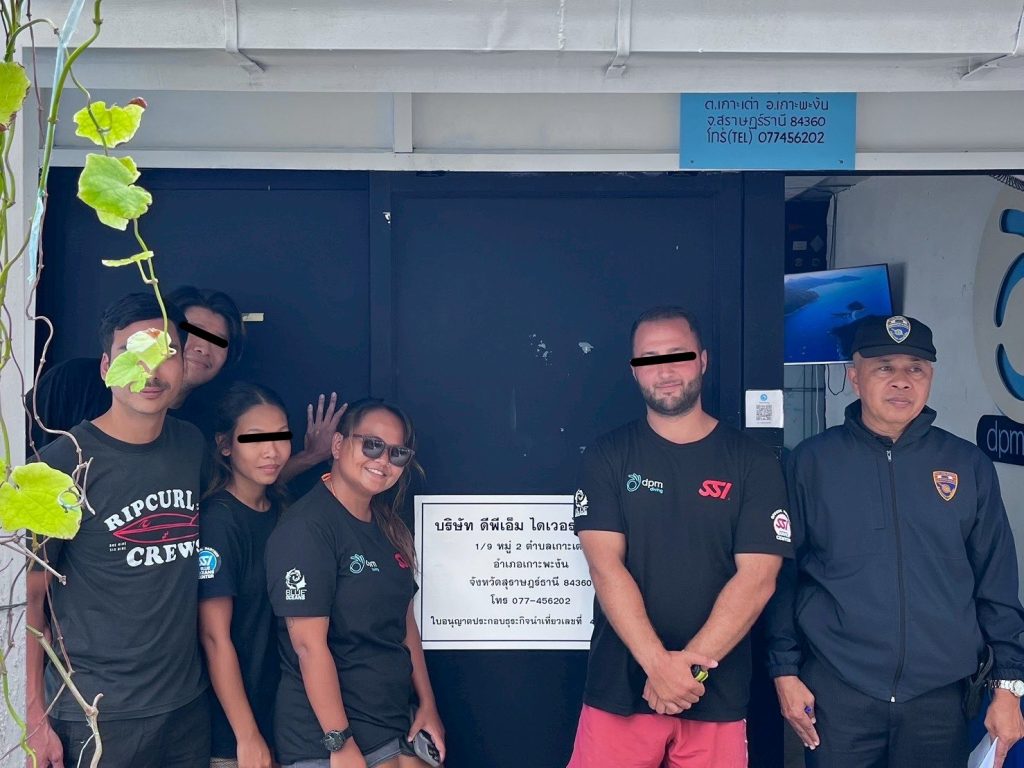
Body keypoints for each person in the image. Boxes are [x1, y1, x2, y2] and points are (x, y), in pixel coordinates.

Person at [765, 314, 1024, 768]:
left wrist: (1009, 686)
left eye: (916, 369)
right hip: (839, 693)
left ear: (930, 378)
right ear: (854, 376)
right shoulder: (811, 463)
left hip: (938, 698)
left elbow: (996, 583)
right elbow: (781, 575)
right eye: (884, 367)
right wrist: (784, 670)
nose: (902, 381)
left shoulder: (966, 464)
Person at [567, 306, 792, 768]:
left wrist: (686, 671)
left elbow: (758, 578)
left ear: (703, 360)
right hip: (620, 690)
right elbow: (605, 567)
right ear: (634, 371)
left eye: (678, 355)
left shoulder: (753, 461)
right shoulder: (607, 455)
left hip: (715, 694)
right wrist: (657, 665)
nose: (665, 371)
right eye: (650, 359)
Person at [25, 292, 210, 767]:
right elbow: (31, 599)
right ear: (107, 367)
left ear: (183, 367)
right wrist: (34, 717)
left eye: (166, 351)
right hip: (94, 715)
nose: (151, 369)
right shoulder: (60, 466)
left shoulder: (191, 446)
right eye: (133, 351)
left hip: (185, 707)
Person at [265, 398, 445, 768]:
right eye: (372, 445)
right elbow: (308, 647)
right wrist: (339, 742)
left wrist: (428, 704)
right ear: (337, 444)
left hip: (394, 722)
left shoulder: (388, 525)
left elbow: (404, 621)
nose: (383, 460)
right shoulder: (307, 528)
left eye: (397, 453)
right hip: (326, 740)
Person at [26, 285, 343, 481]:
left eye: (218, 341)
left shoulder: (200, 429)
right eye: (193, 333)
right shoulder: (73, 381)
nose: (203, 347)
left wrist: (310, 456)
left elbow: (238, 487)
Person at [199, 383, 292, 768]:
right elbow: (213, 636)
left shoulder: (282, 510)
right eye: (255, 438)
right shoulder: (219, 522)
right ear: (225, 445)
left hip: (282, 723)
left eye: (281, 436)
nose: (271, 451)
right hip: (233, 737)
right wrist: (246, 735)